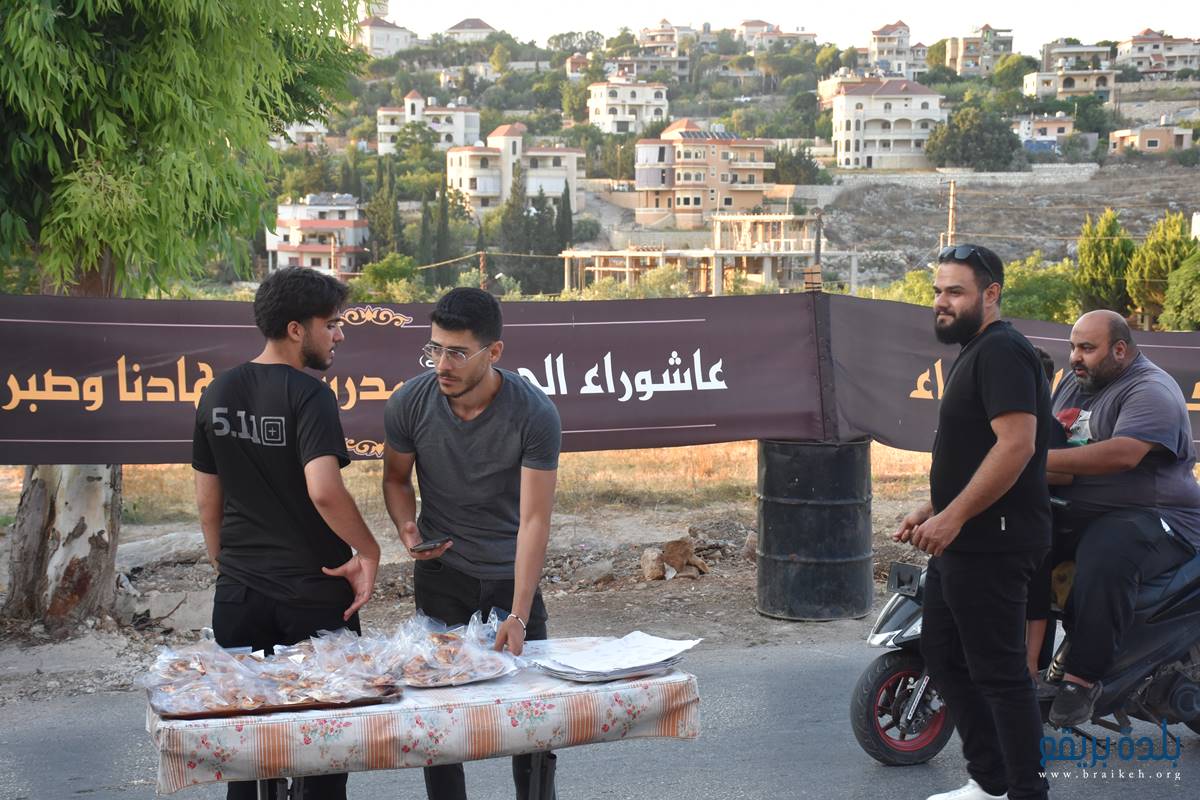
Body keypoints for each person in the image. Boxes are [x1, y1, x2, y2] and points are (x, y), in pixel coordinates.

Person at [192, 267, 381, 800]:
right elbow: (324, 490)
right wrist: (368, 550)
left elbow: (208, 501)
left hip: (238, 598)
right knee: (324, 748)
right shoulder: (310, 395)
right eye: (331, 324)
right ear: (297, 329)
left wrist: (228, 567)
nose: (339, 335)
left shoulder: (216, 391)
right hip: (313, 594)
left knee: (246, 752)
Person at [382, 287, 562, 800]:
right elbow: (395, 480)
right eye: (435, 349)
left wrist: (520, 613)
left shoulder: (534, 413)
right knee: (439, 725)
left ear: (494, 352)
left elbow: (534, 520)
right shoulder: (410, 402)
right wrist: (407, 527)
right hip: (444, 575)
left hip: (511, 576)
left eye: (457, 353)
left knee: (534, 723)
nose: (442, 365)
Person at [894, 244, 1052, 800]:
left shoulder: (1002, 350)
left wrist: (953, 516)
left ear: (991, 294)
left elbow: (1016, 446)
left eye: (955, 292)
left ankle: (1026, 790)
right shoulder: (976, 350)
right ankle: (990, 780)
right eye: (938, 291)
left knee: (1000, 674)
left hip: (993, 544)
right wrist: (934, 509)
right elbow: (977, 452)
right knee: (944, 656)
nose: (942, 302)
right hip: (962, 540)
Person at [1042, 309, 1200, 727]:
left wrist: (1030, 460)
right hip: (1080, 512)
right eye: (1073, 347)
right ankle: (1029, 668)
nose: (1075, 357)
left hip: (1157, 518)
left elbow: (1123, 454)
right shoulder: (1075, 384)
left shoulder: (1150, 389)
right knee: (1020, 544)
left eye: (1087, 348)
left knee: (1107, 552)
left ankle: (1081, 681)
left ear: (1119, 350)